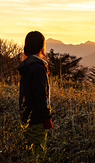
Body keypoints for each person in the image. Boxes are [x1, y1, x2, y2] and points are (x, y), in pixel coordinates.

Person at [17, 31, 53, 162]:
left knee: (29, 154)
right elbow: (40, 96)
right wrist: (47, 117)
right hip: (37, 119)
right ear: (41, 45)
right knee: (38, 154)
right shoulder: (37, 67)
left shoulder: (26, 66)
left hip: (26, 118)